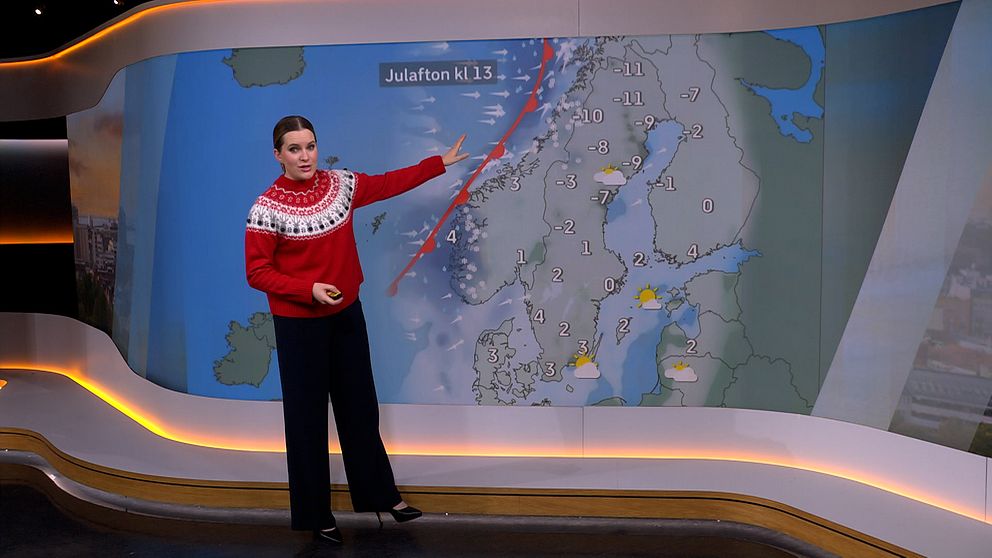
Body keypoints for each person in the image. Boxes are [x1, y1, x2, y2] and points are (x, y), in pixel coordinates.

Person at [245, 115, 468, 544]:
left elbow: (387, 184)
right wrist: (308, 289)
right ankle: (315, 516)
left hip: (347, 315)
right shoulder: (266, 208)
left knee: (360, 409)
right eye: (294, 149)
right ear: (278, 155)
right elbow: (257, 272)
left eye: (310, 146)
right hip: (299, 326)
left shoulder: (341, 186)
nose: (305, 156)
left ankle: (381, 495)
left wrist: (438, 163)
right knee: (307, 421)